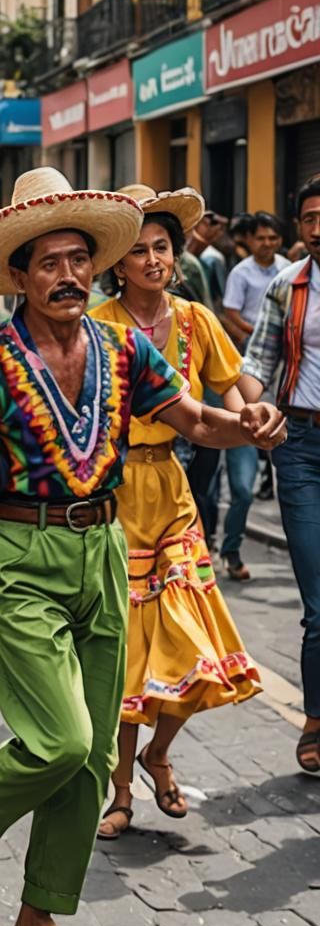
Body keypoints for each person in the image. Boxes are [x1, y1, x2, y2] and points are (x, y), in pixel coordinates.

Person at [0, 168, 285, 926]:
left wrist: (251, 423)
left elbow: (195, 418)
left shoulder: (124, 347)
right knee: (62, 740)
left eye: (79, 260)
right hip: (25, 554)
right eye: (49, 263)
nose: (68, 275)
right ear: (19, 277)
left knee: (93, 762)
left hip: (107, 546)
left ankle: (36, 922)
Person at [90, 185, 264, 839]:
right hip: (112, 495)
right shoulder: (100, 324)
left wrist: (255, 409)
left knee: (190, 632)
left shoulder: (195, 318)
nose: (154, 260)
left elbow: (237, 379)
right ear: (120, 265)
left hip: (173, 490)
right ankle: (122, 790)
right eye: (139, 251)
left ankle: (161, 753)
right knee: (128, 652)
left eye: (162, 247)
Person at [241, 175, 320, 773]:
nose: (318, 228)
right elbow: (258, 362)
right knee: (319, 601)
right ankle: (315, 719)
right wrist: (253, 403)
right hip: (300, 446)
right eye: (310, 217)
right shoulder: (284, 286)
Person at [215, 213, 291, 580]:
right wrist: (262, 337)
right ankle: (229, 549)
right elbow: (228, 313)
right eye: (261, 238)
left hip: (291, 403)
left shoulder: (291, 273)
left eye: (273, 238)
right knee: (241, 488)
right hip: (245, 385)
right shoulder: (241, 273)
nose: (267, 244)